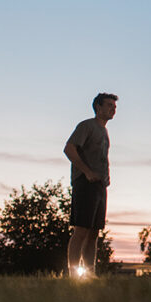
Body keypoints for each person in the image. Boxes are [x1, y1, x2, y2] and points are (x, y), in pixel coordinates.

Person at [64, 92, 117, 278]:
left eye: (114, 106)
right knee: (82, 229)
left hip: (100, 186)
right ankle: (73, 273)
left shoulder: (104, 130)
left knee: (94, 232)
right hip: (85, 183)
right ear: (98, 107)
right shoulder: (87, 126)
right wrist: (86, 171)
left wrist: (105, 179)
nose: (113, 108)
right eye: (109, 105)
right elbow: (69, 148)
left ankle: (89, 273)